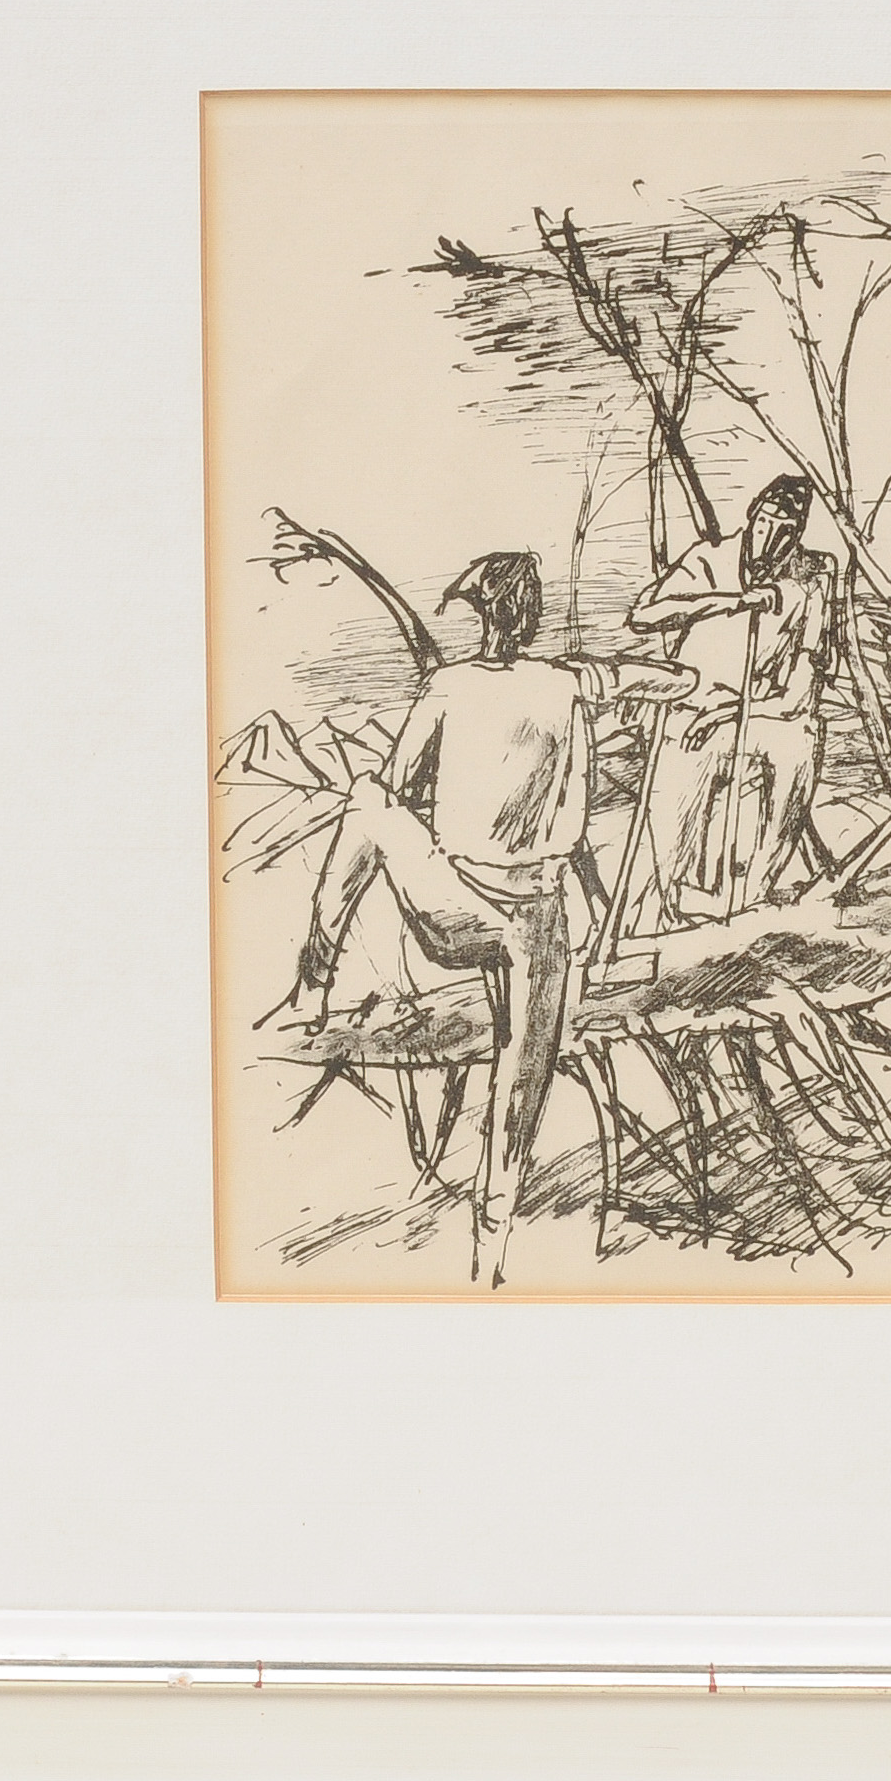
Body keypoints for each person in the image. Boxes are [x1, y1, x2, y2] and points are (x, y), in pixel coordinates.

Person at [285, 549, 692, 1284]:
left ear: (482, 617)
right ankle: (492, 1246)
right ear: (530, 618)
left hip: (461, 907)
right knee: (520, 1086)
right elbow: (673, 680)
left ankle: (313, 980)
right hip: (535, 917)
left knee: (367, 801)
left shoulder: (453, 684)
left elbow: (395, 784)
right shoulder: (568, 680)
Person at [627, 474, 837, 919]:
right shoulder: (708, 557)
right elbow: (644, 616)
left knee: (802, 741)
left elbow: (801, 690)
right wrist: (732, 601)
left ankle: (756, 890)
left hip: (756, 713)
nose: (771, 537)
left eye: (786, 529)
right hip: (694, 704)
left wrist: (730, 712)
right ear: (752, 516)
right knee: (681, 771)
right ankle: (667, 897)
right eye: (765, 522)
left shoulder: (810, 581)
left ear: (798, 533)